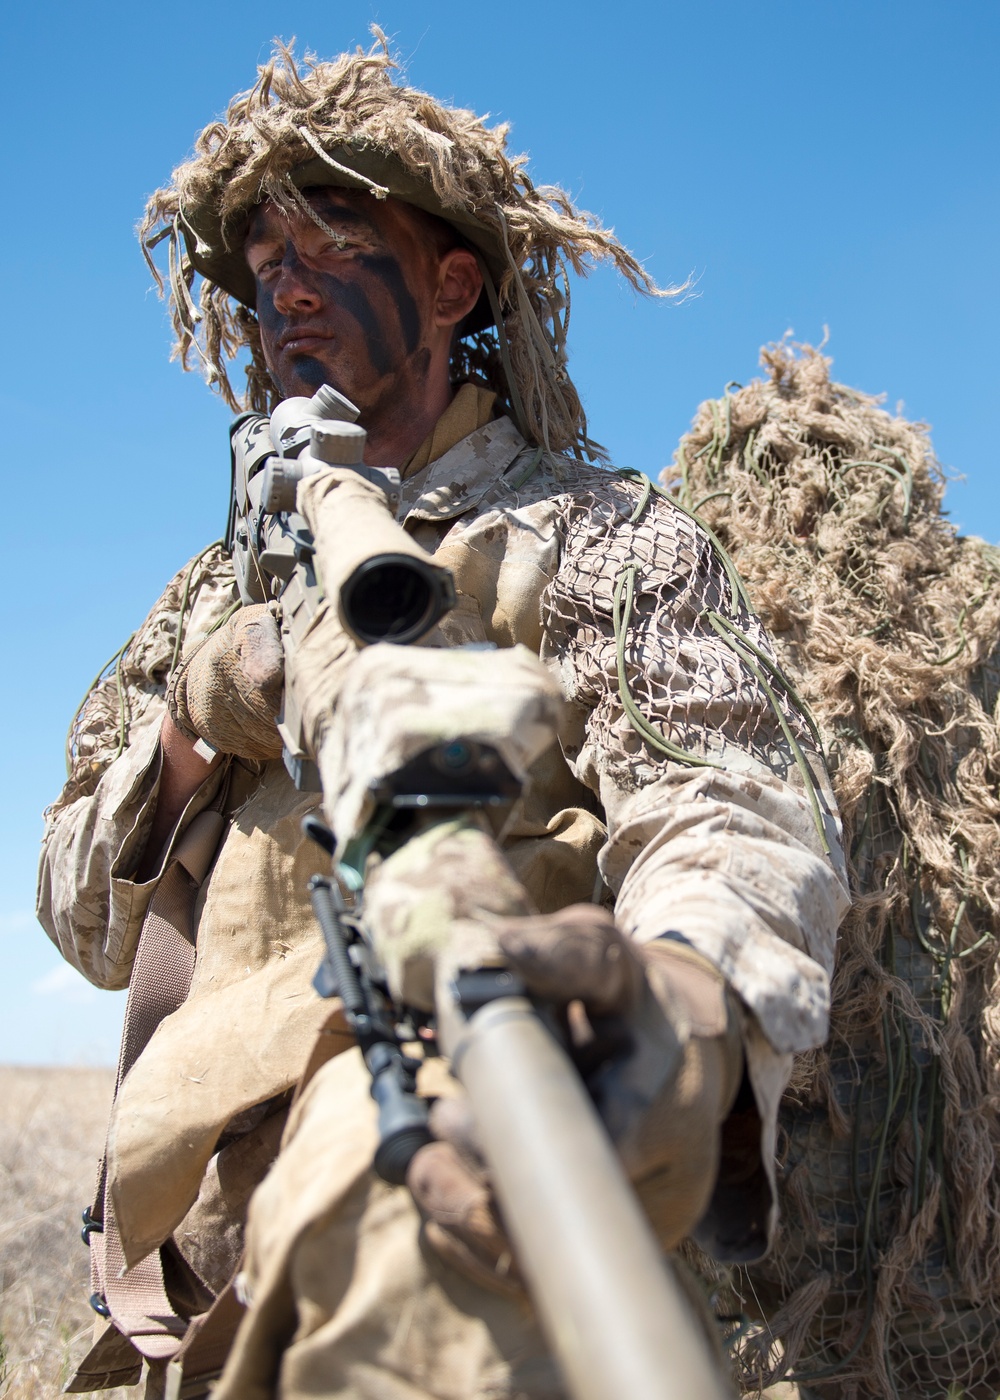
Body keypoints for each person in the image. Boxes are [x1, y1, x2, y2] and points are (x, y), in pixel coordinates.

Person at [37, 37, 850, 1400]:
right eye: (258, 264)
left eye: (334, 234)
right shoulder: (209, 592)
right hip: (214, 1287)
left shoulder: (601, 540)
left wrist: (682, 1004)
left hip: (475, 1168)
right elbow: (81, 919)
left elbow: (733, 805)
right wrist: (195, 720)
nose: (281, 285)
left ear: (452, 280)